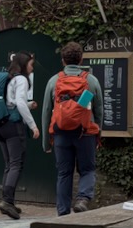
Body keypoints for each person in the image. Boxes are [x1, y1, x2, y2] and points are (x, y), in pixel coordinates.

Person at [43, 42, 100, 215]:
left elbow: (46, 111)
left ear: (63, 60)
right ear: (81, 59)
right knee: (87, 169)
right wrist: (98, 134)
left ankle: (62, 214)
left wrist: (47, 142)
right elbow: (99, 110)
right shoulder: (90, 81)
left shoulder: (54, 81)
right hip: (85, 133)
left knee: (64, 173)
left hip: (61, 134)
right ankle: (83, 199)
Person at [0, 52, 36, 220]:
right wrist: (33, 126)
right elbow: (20, 103)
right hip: (14, 126)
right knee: (16, 164)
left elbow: (11, 102)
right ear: (23, 64)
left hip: (0, 125)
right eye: (30, 64)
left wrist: (29, 105)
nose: (32, 67)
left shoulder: (8, 78)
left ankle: (9, 201)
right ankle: (7, 202)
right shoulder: (21, 79)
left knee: (9, 164)